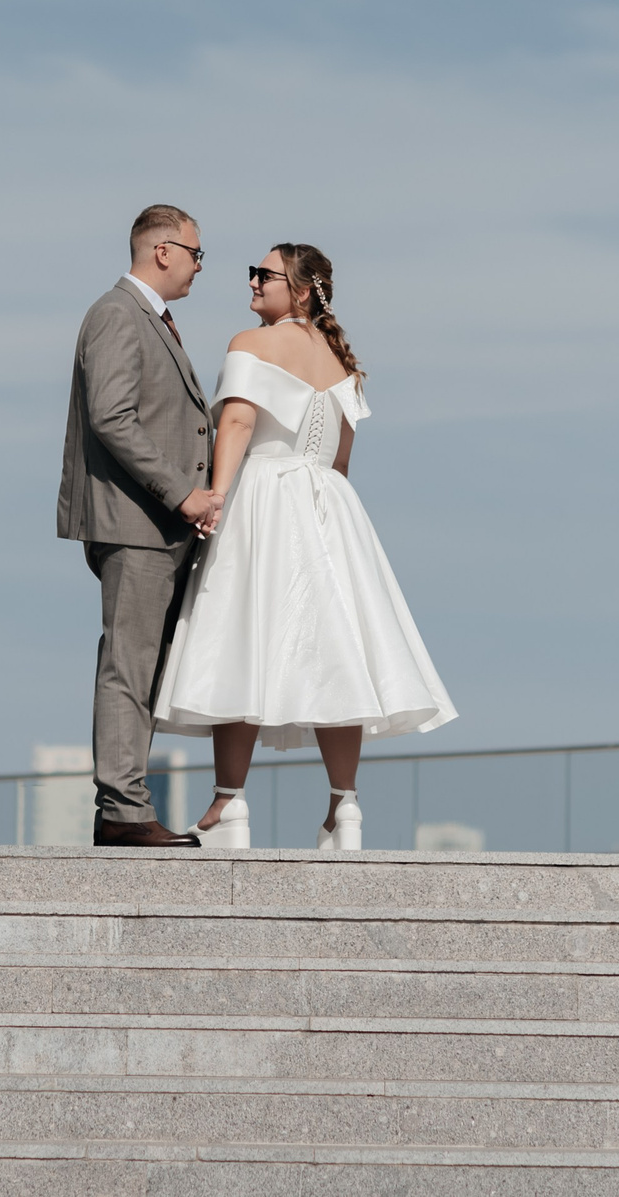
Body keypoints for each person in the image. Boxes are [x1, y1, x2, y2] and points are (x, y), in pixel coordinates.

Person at [153, 244, 456, 849]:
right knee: (338, 654)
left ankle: (227, 806)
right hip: (331, 506)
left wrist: (214, 497)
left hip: (263, 497)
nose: (251, 282)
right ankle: (344, 810)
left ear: (299, 288)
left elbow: (236, 425)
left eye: (262, 274)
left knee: (239, 639)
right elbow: (341, 460)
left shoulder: (251, 343)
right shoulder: (341, 363)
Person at [57, 204, 225, 846]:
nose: (198, 266)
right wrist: (184, 491)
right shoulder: (117, 314)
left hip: (156, 526)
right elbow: (112, 416)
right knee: (129, 666)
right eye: (196, 253)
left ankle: (126, 806)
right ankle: (123, 812)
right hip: (136, 524)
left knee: (145, 668)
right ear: (163, 250)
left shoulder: (148, 319)